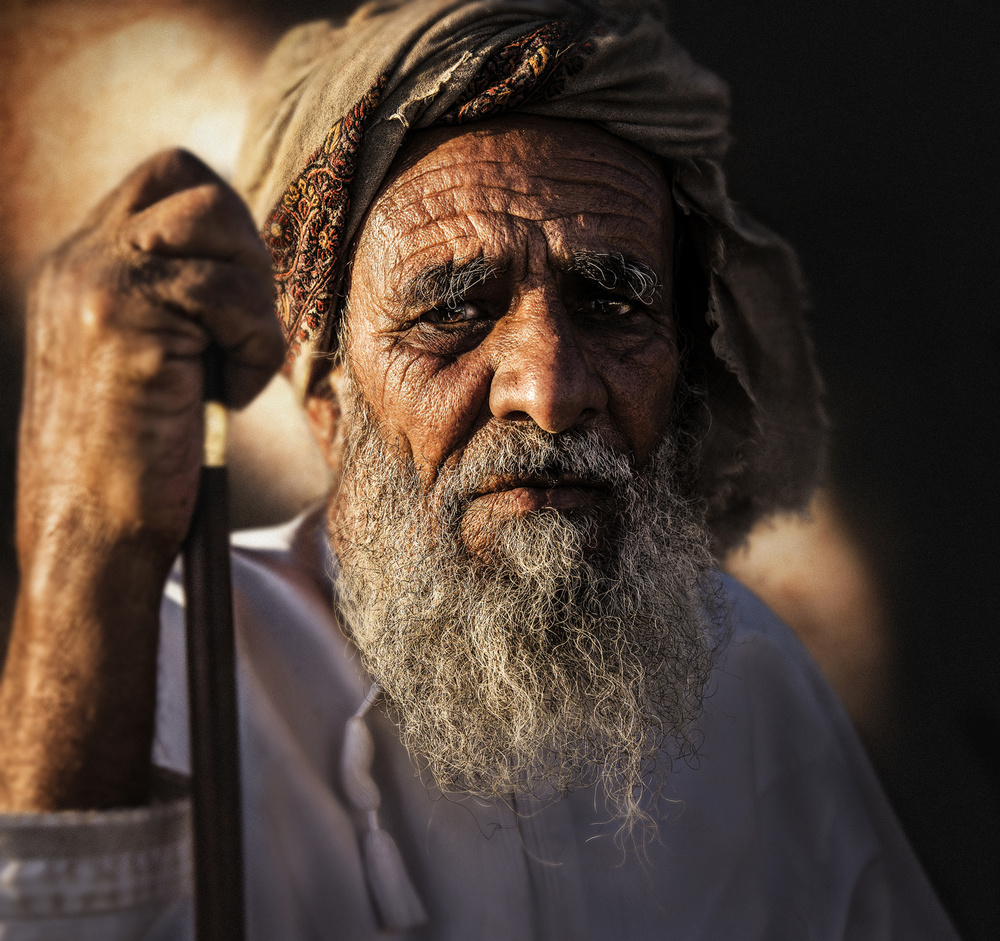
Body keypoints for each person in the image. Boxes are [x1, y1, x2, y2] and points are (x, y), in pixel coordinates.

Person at [0, 0, 958, 938]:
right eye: (453, 310)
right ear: (323, 380)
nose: (547, 391)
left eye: (611, 305)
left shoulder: (746, 678)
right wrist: (86, 541)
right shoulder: (158, 656)